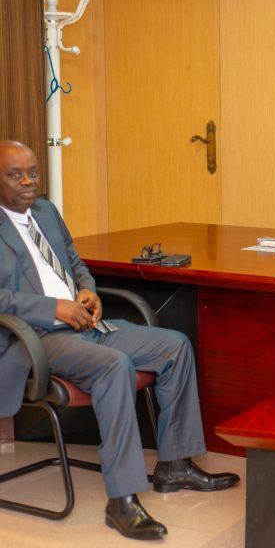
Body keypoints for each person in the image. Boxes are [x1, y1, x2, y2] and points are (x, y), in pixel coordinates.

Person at [0, 140, 239, 540]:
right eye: (15, 175)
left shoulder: (46, 211)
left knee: (175, 346)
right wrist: (53, 308)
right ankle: (122, 500)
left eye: (33, 173)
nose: (28, 182)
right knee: (114, 365)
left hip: (84, 326)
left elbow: (74, 262)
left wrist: (87, 290)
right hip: (36, 337)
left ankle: (175, 464)